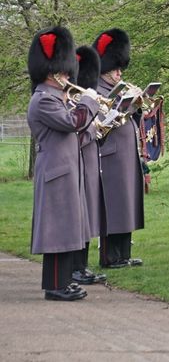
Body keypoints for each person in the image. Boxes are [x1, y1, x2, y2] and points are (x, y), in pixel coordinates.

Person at [28, 27, 99, 300]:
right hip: (56, 173)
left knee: (69, 229)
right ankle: (55, 286)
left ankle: (65, 281)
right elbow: (73, 123)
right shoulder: (43, 100)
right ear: (52, 71)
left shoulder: (57, 98)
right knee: (57, 232)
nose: (69, 77)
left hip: (67, 170)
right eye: (65, 71)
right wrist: (89, 102)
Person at [93, 29, 145, 269]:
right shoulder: (98, 91)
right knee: (113, 206)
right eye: (116, 69)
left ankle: (123, 254)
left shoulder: (119, 89)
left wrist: (138, 105)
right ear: (106, 68)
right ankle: (109, 256)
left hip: (126, 154)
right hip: (111, 154)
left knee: (126, 205)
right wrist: (129, 105)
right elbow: (107, 118)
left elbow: (129, 118)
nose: (119, 73)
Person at [71, 45, 106, 286]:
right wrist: (94, 129)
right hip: (78, 162)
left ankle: (82, 266)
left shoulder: (82, 100)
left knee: (88, 216)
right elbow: (77, 132)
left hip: (91, 162)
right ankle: (75, 268)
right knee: (79, 216)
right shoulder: (74, 101)